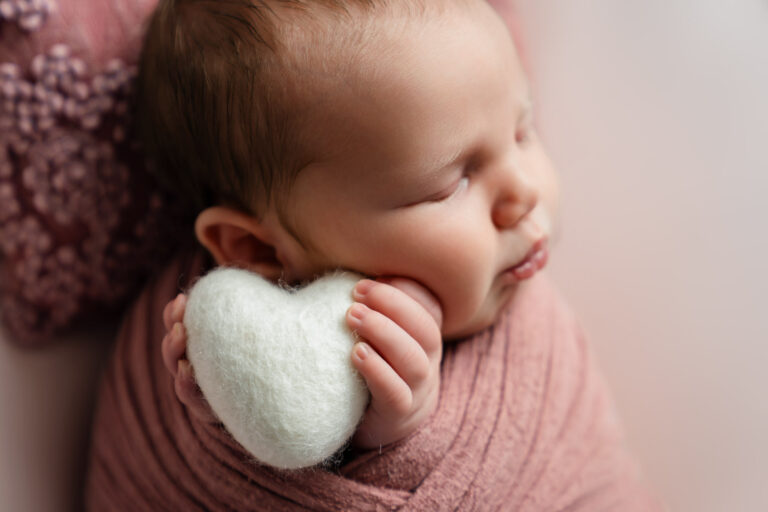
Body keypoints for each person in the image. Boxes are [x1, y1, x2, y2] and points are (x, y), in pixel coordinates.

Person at [143, 0, 559, 451]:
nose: (525, 191)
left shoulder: (538, 324)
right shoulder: (182, 335)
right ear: (256, 250)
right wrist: (378, 433)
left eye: (523, 130)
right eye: (449, 185)